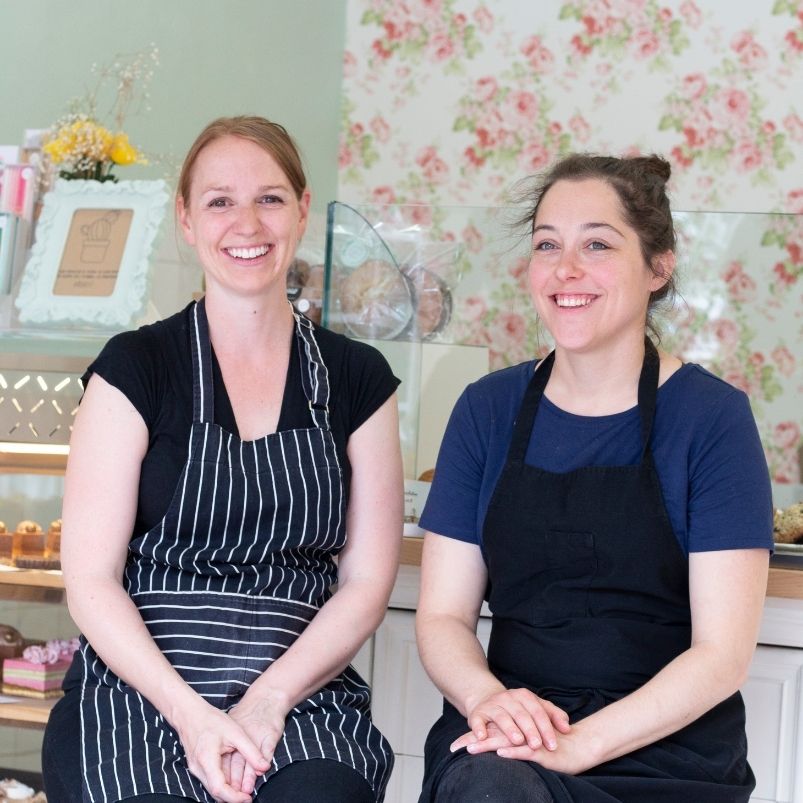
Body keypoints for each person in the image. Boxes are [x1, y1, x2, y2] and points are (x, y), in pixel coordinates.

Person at [42, 116, 403, 803]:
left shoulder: (358, 378)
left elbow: (364, 583)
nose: (247, 222)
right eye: (219, 201)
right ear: (185, 219)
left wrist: (267, 702)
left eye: (269, 198)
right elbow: (91, 578)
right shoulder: (135, 367)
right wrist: (191, 715)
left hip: (300, 697)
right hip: (139, 695)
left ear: (301, 209)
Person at [415, 154, 773, 802]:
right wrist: (488, 699)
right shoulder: (485, 409)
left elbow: (721, 655)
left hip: (667, 758)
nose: (564, 268)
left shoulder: (711, 419)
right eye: (546, 244)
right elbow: (441, 614)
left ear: (657, 266)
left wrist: (577, 744)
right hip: (508, 742)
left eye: (596, 244)